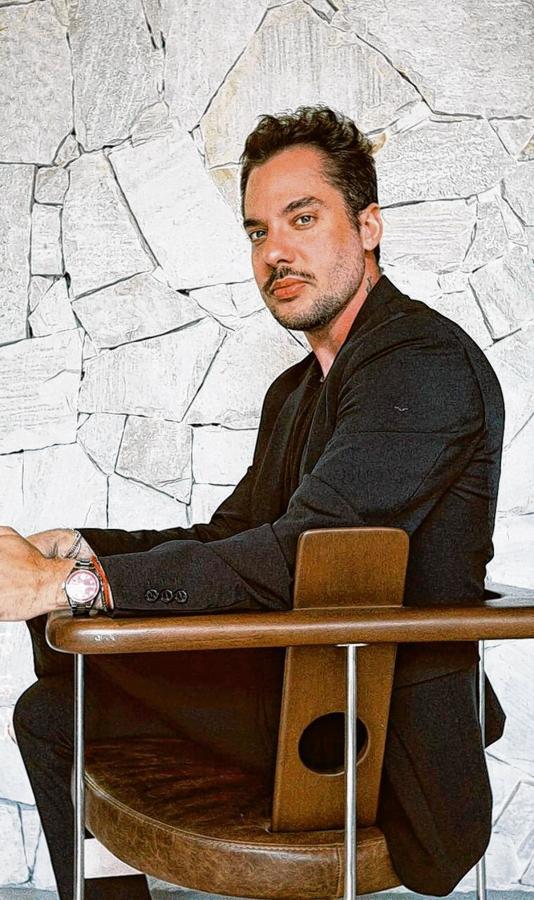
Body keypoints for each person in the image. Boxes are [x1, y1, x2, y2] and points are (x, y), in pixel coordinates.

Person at [1, 106, 505, 899]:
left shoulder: (421, 363)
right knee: (52, 715)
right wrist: (81, 546)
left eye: (303, 218)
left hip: (376, 736)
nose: (275, 251)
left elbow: (295, 555)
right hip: (299, 685)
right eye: (258, 231)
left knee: (69, 655)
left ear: (369, 227)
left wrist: (75, 587)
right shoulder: (297, 390)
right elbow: (234, 533)